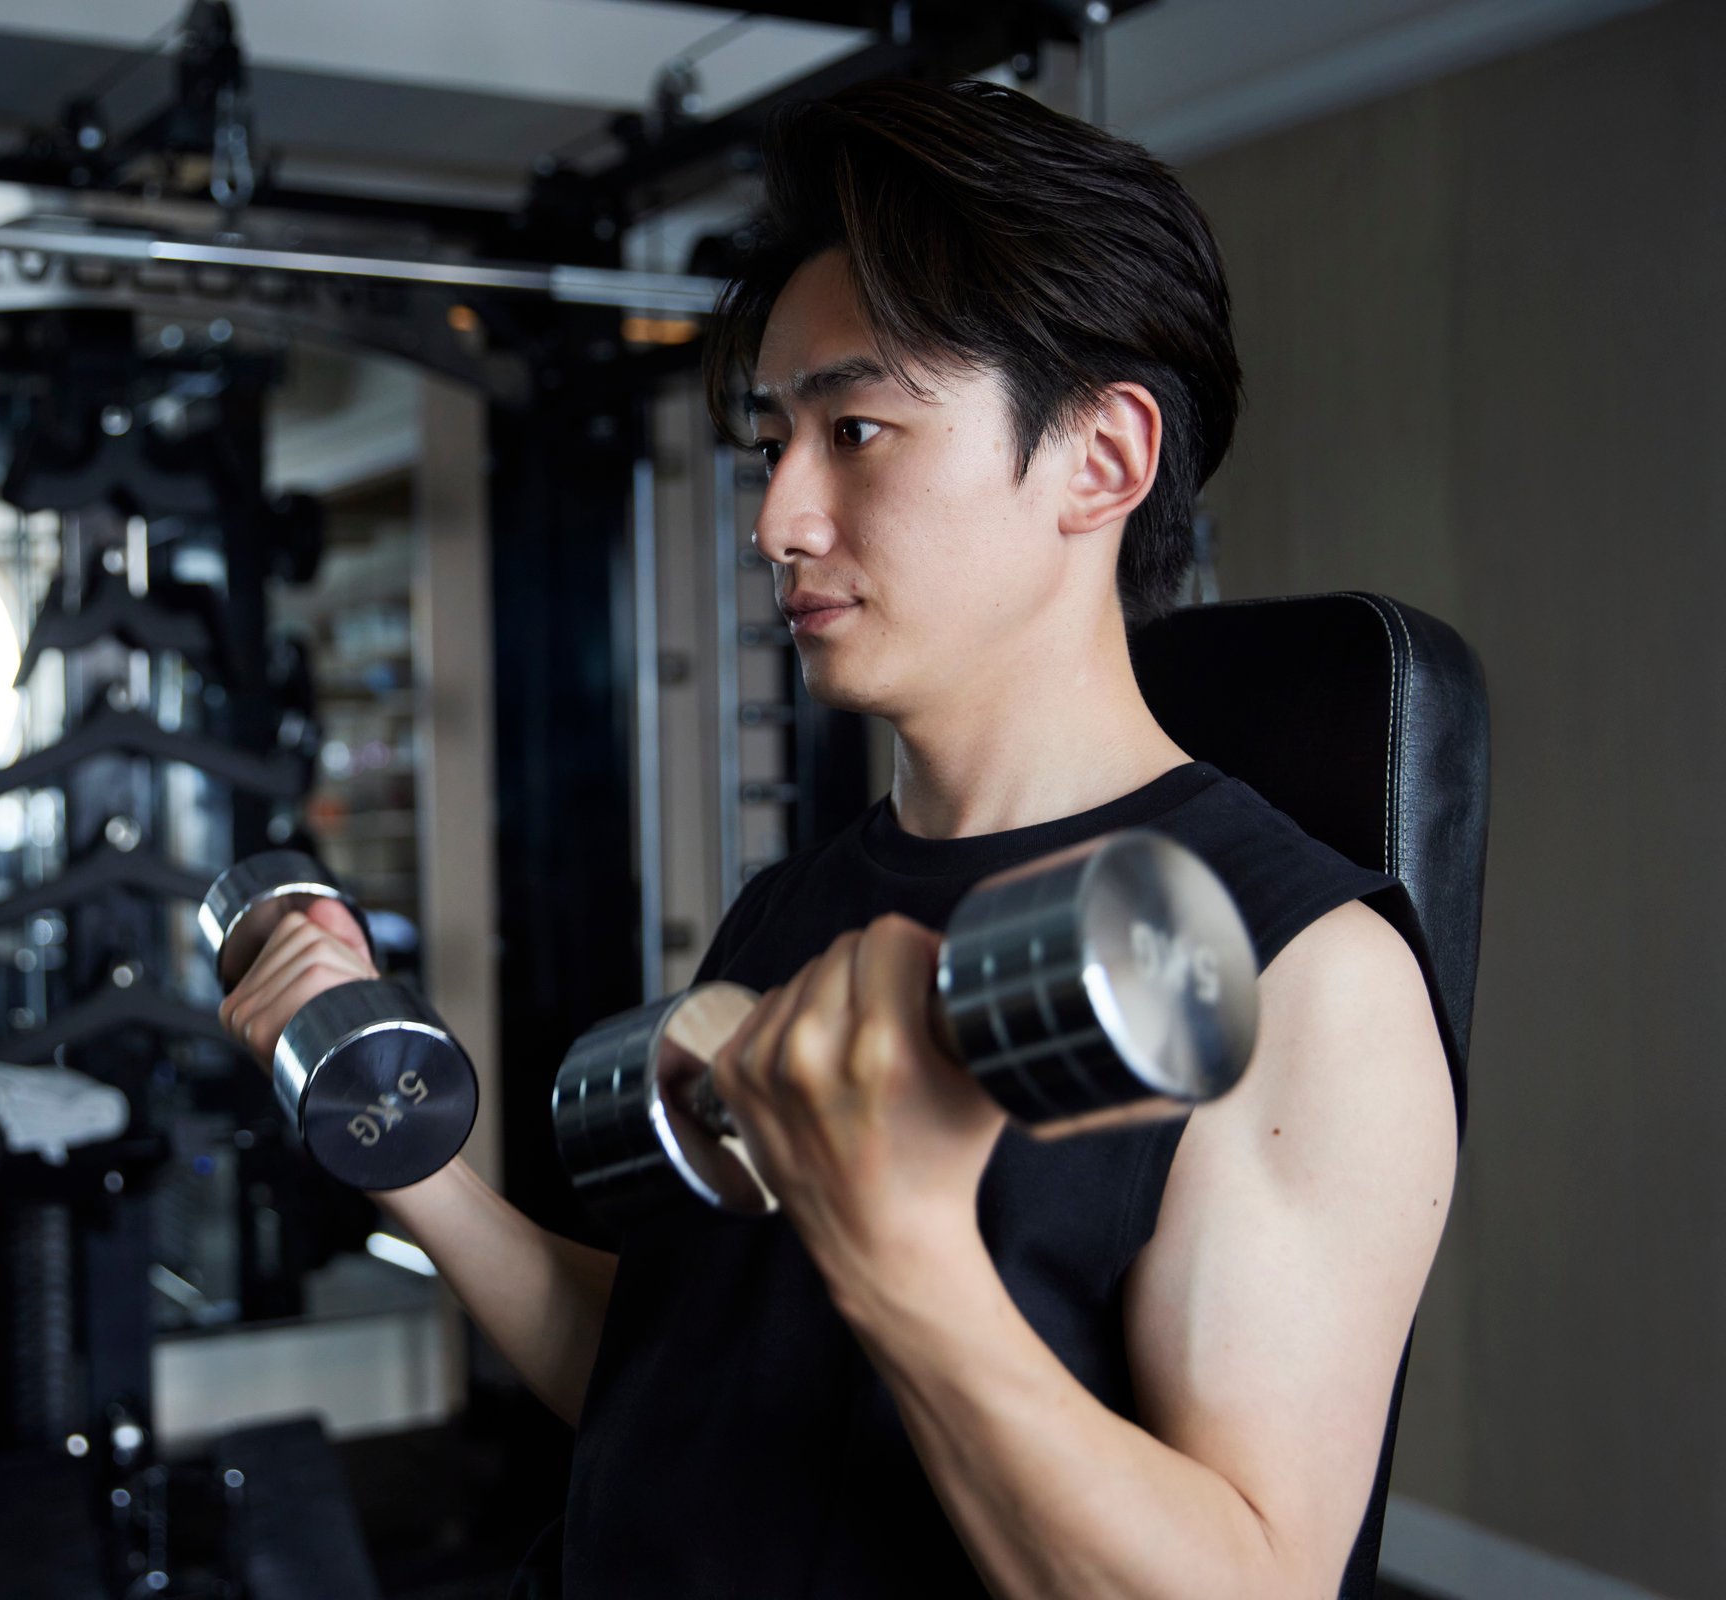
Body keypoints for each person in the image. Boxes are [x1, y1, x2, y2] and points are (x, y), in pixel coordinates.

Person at [218, 77, 1456, 1599]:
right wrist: (405, 1160)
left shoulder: (1307, 982)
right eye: (772, 445)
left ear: (1102, 463)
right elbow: (680, 1380)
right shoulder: (802, 902)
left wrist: (902, 1247)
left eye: (857, 429)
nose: (778, 519)